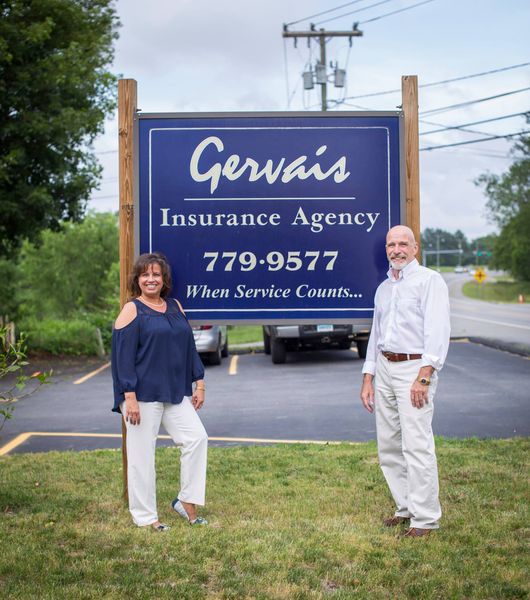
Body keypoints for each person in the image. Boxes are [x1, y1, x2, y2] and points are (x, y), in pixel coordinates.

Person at [360, 225, 450, 538]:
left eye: (402, 244)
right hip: (385, 368)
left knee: (417, 443)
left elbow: (437, 332)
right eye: (391, 244)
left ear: (415, 248)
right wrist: (368, 377)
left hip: (414, 370)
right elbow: (376, 335)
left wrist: (424, 377)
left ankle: (425, 520)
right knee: (388, 445)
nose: (396, 249)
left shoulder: (429, 281)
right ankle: (405, 507)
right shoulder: (384, 288)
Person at [111, 252, 208, 531]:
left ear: (164, 279)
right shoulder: (133, 309)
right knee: (142, 456)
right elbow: (122, 358)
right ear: (138, 280)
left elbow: (189, 348)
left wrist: (198, 382)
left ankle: (185, 501)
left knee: (196, 439)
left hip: (174, 392)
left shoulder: (175, 306)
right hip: (140, 396)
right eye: (145, 275)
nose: (150, 279)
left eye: (156, 274)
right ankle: (146, 517)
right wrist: (128, 397)